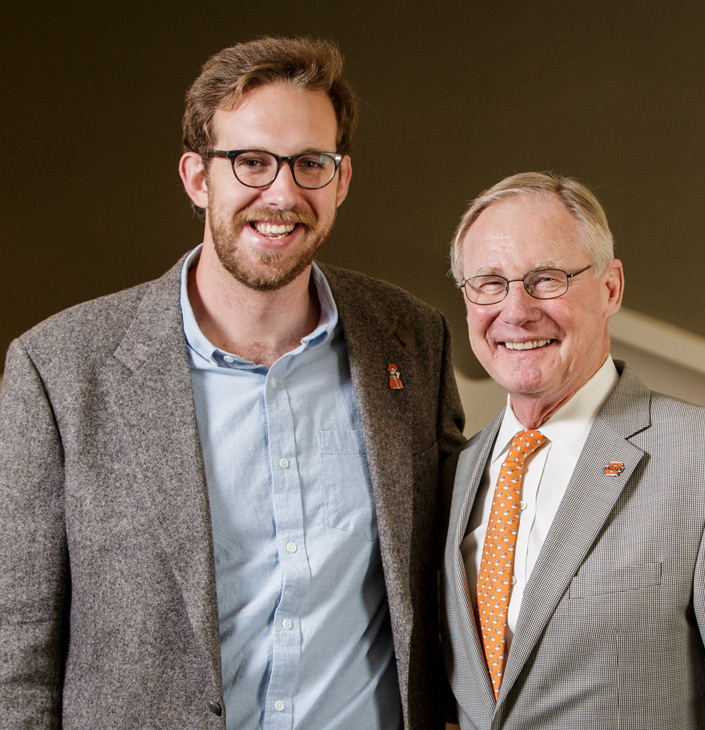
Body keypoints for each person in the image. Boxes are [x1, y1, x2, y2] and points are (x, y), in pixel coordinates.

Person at [0, 37, 464, 729]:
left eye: (311, 164)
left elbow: (454, 576)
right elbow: (15, 647)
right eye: (251, 162)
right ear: (196, 177)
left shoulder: (411, 341)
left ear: (340, 180)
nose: (282, 194)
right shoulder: (61, 368)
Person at [440, 171, 705, 729]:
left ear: (610, 287)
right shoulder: (452, 476)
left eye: (546, 278)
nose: (516, 310)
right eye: (489, 283)